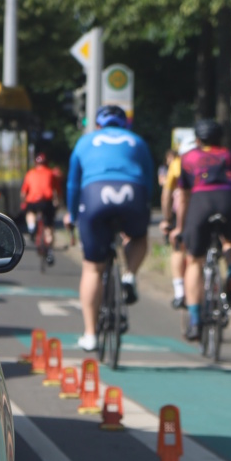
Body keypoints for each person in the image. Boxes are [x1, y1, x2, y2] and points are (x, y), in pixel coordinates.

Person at [64, 105, 155, 352]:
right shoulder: (137, 141)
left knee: (92, 268)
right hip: (132, 194)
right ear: (125, 124)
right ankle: (129, 275)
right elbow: (149, 181)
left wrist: (72, 215)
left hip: (94, 196)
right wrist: (145, 210)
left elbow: (73, 185)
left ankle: (90, 334)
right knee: (139, 237)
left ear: (98, 124)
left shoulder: (85, 142)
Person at [175, 119, 231, 342]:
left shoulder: (187, 158)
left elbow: (183, 197)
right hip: (228, 199)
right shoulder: (229, 155)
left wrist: (179, 227)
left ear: (197, 139)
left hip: (201, 201)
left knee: (194, 260)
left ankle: (194, 321)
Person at [159, 136, 197, 309]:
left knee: (178, 248)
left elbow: (168, 195)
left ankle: (179, 291)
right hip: (213, 207)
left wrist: (167, 220)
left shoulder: (178, 163)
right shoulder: (211, 159)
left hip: (184, 211)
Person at [20, 151, 60, 264]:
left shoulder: (30, 173)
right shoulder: (51, 173)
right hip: (46, 202)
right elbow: (56, 191)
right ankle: (50, 252)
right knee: (49, 227)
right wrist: (57, 202)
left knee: (30, 212)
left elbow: (23, 193)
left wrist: (23, 203)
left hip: (32, 200)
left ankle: (32, 227)